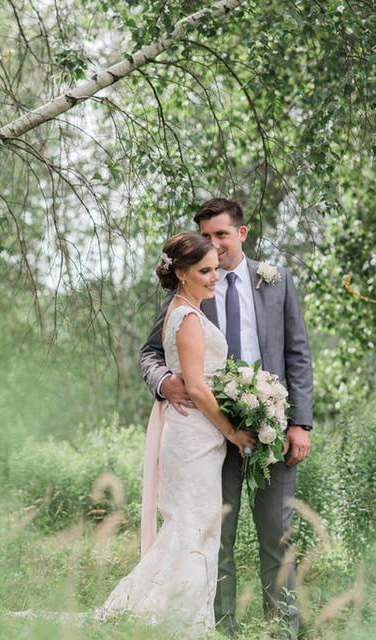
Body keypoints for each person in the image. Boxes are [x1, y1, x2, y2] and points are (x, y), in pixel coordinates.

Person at [140, 198, 314, 638]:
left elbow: (298, 355)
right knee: (218, 540)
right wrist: (165, 381)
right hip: (211, 438)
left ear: (242, 233)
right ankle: (222, 630)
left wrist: (300, 423)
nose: (212, 246)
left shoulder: (276, 282)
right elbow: (152, 351)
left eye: (220, 235)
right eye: (205, 236)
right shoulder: (192, 287)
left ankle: (283, 632)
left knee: (278, 537)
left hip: (271, 431)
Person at [96, 232, 256, 637]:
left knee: (195, 525)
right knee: (192, 524)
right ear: (181, 274)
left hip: (197, 437)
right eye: (204, 271)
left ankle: (179, 617)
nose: (213, 277)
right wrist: (234, 432)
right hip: (193, 438)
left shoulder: (187, 311)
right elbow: (199, 389)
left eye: (216, 269)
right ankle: (173, 621)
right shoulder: (185, 317)